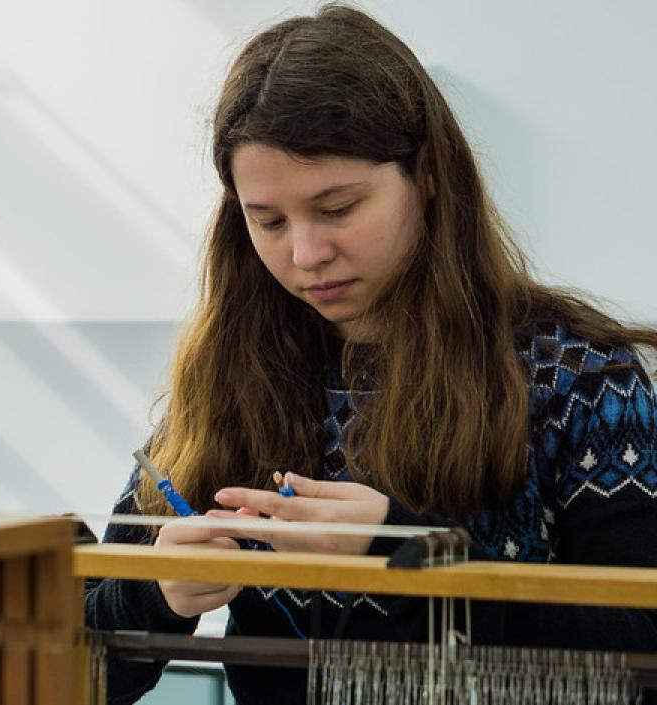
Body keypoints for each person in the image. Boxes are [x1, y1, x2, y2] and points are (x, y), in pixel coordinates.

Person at [83, 4, 657, 704]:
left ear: (430, 175)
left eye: (338, 208)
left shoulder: (584, 381)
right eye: (268, 221)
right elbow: (73, 668)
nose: (305, 254)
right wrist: (153, 598)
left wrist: (409, 559)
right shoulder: (232, 380)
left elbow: (640, 652)